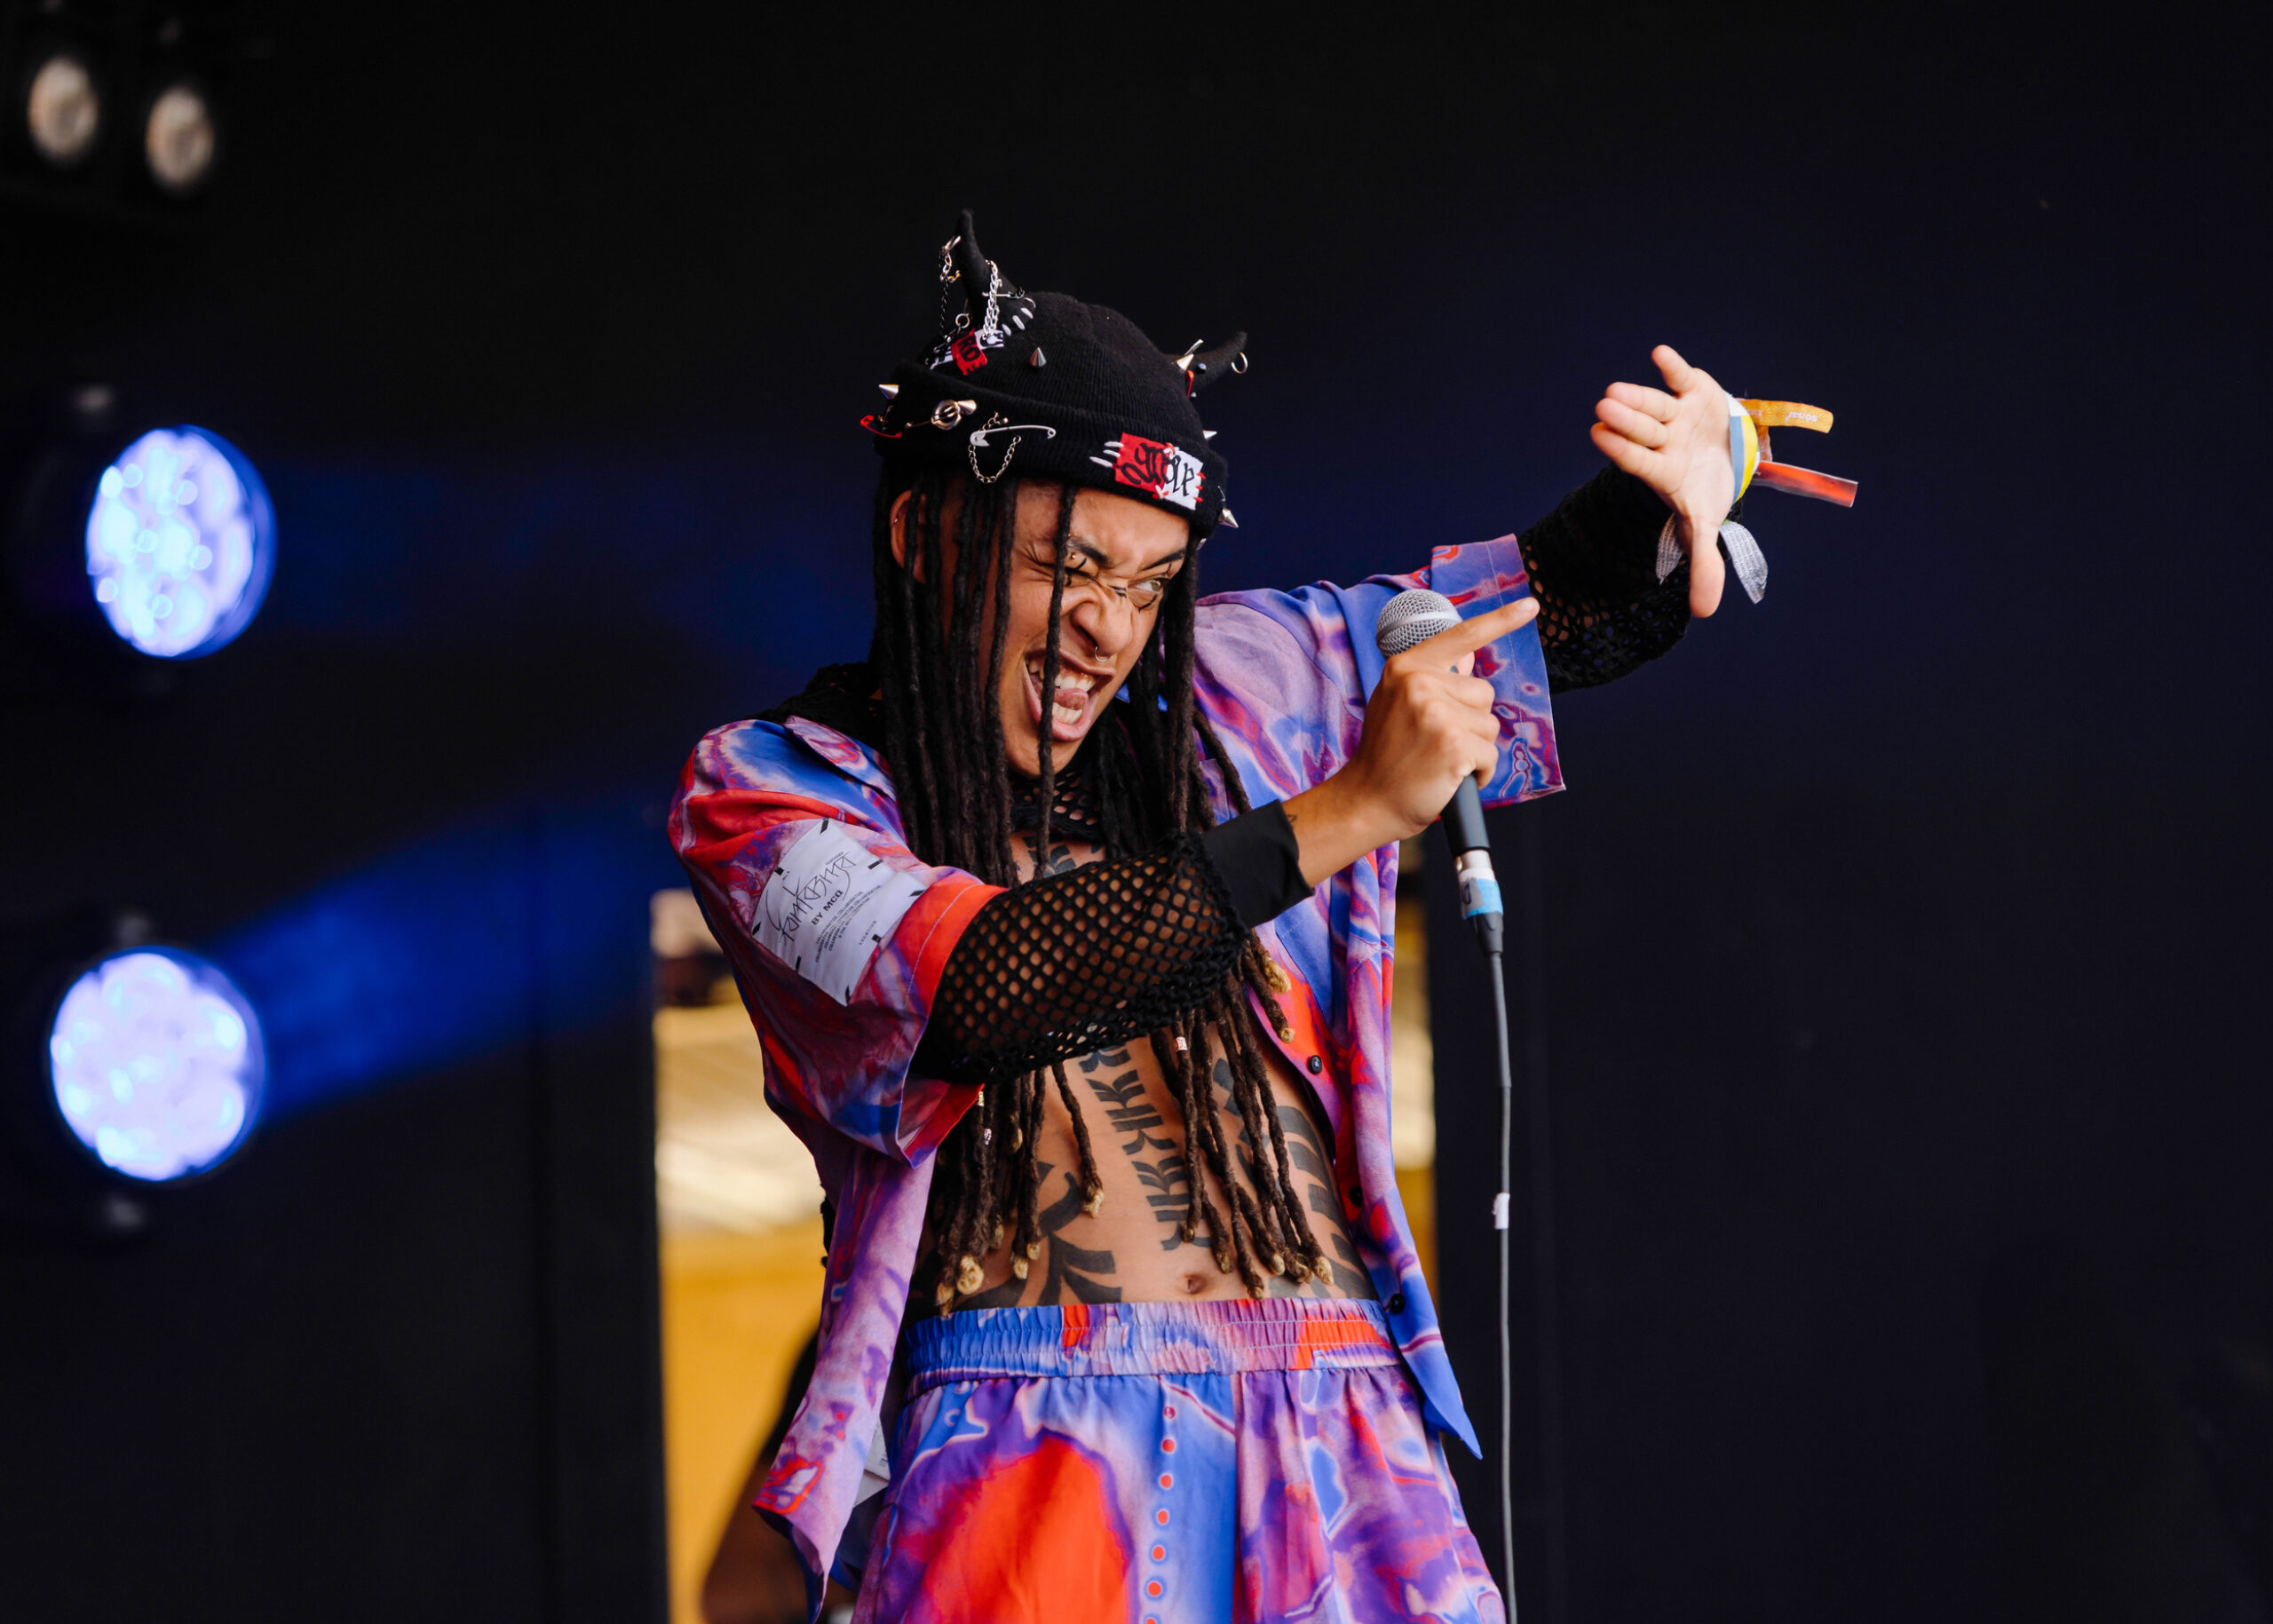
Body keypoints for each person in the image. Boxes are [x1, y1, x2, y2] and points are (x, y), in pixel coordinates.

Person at [670, 211, 1743, 1623]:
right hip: (1031, 1448)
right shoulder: (775, 790)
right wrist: (1351, 807)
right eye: (1068, 566)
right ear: (927, 532)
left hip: (1350, 1434)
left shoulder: (1240, 693)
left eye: (1148, 582)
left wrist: (1679, 494)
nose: (1110, 628)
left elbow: (1521, 614)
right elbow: (979, 980)